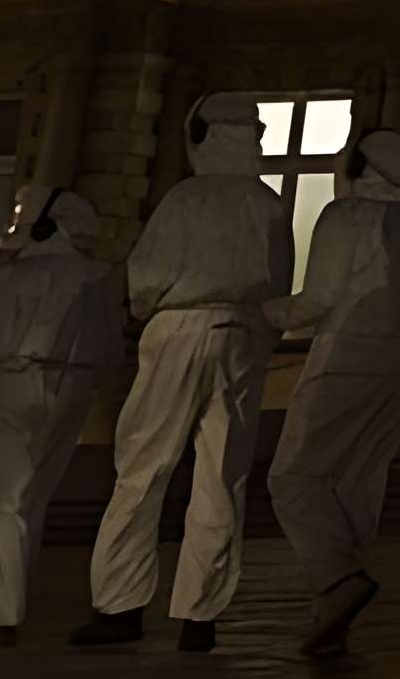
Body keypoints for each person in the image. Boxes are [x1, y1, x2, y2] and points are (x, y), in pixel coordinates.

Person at [74, 89, 292, 650]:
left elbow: (146, 277)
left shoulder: (186, 198)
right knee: (221, 475)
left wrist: (145, 310)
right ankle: (201, 614)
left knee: (144, 467)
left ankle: (120, 606)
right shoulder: (269, 203)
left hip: (179, 328)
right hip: (244, 334)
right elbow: (278, 284)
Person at [267, 127, 400, 658]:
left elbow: (319, 298)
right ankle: (334, 614)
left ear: (357, 166)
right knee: (359, 482)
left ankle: (337, 581)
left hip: (347, 353)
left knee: (293, 476)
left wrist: (264, 312)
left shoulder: (343, 215)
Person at [0, 184, 125, 646]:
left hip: (14, 383)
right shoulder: (98, 278)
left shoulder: (18, 275)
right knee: (33, 497)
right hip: (73, 389)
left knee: (3, 501)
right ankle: (13, 596)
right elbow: (111, 349)